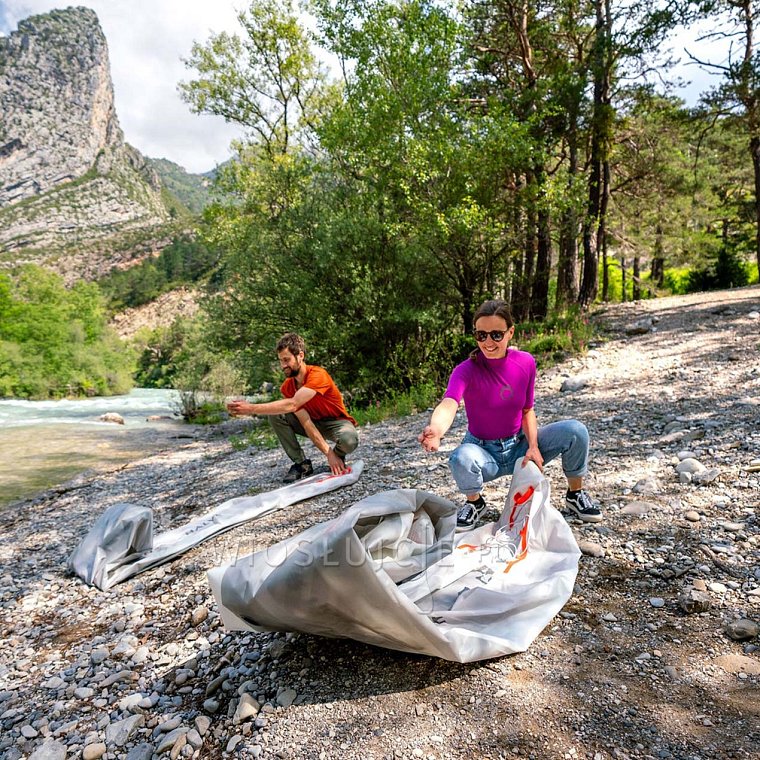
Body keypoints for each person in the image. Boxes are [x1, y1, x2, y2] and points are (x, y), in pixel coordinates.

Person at [418, 299, 602, 530]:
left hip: (520, 446)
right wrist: (436, 429)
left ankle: (575, 494)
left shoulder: (525, 363)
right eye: (481, 335)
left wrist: (533, 445)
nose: (488, 342)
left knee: (575, 431)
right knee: (460, 458)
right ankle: (475, 503)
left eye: (496, 335)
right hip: (484, 452)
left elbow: (527, 410)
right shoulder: (465, 370)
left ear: (510, 332)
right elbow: (449, 402)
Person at [227, 333, 358, 482]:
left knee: (349, 440)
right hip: (312, 422)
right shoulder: (287, 387)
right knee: (277, 413)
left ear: (300, 355)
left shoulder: (318, 375)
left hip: (335, 423)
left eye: (286, 360)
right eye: (280, 361)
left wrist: (250, 408)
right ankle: (302, 464)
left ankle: (339, 457)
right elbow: (306, 422)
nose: (283, 366)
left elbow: (293, 403)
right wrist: (328, 453)